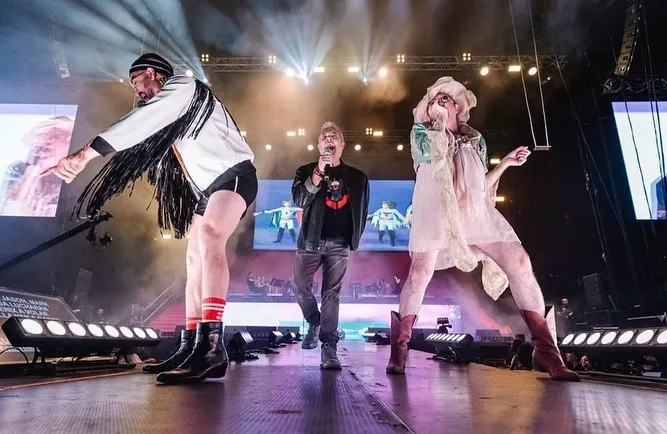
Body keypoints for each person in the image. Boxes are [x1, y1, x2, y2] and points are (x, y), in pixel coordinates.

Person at [43, 53, 257, 384]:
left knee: (212, 234)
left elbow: (138, 122)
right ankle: (191, 344)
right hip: (209, 189)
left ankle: (214, 348)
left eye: (137, 83)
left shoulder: (184, 86)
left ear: (151, 73)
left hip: (235, 176)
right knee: (193, 259)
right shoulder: (172, 115)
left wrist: (85, 153)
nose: (136, 91)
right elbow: (139, 137)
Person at [385, 77, 578, 381]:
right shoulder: (421, 132)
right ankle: (400, 348)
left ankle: (546, 350)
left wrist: (505, 166)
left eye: (446, 99)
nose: (440, 102)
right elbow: (428, 155)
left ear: (457, 106)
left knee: (520, 262)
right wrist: (431, 120)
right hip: (436, 210)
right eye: (435, 98)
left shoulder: (477, 140)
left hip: (474, 212)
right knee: (421, 272)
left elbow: (480, 186)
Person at [291, 121, 369, 369]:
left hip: (339, 244)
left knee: (331, 295)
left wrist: (353, 239)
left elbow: (363, 211)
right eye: (324, 136)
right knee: (300, 286)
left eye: (334, 135)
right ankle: (314, 321)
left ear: (342, 145)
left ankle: (329, 348)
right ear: (318, 145)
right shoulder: (305, 171)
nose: (329, 138)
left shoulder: (357, 178)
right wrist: (317, 173)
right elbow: (301, 199)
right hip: (310, 242)